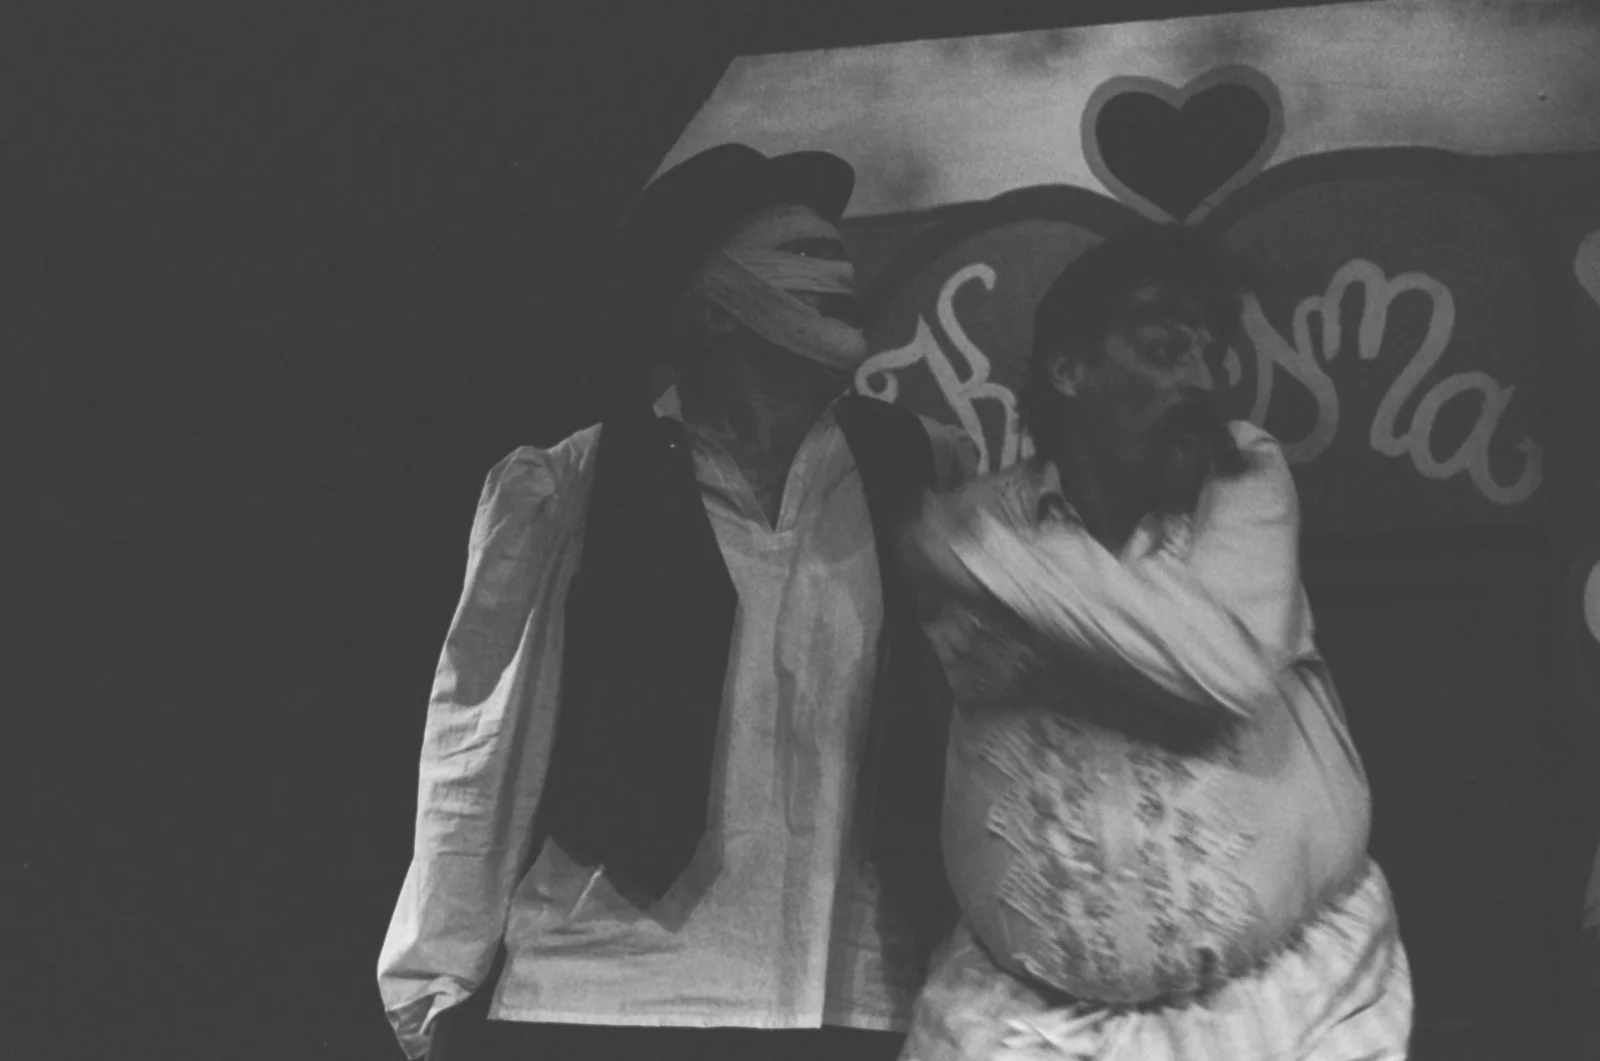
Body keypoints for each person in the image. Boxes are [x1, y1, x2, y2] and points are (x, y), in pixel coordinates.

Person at [377, 143, 980, 1061]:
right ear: (712, 308)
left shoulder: (922, 469)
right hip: (609, 1000)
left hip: (856, 1002)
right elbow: (482, 744)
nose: (839, 273)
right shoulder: (573, 487)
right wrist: (434, 987)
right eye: (798, 253)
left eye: (838, 250)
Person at [894, 225, 1414, 1061]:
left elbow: (1221, 661)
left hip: (1288, 1005)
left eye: (1213, 355)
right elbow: (972, 682)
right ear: (1070, 370)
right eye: (1168, 350)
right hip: (1019, 1020)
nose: (1202, 381)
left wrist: (983, 561)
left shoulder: (1243, 478)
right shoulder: (985, 518)